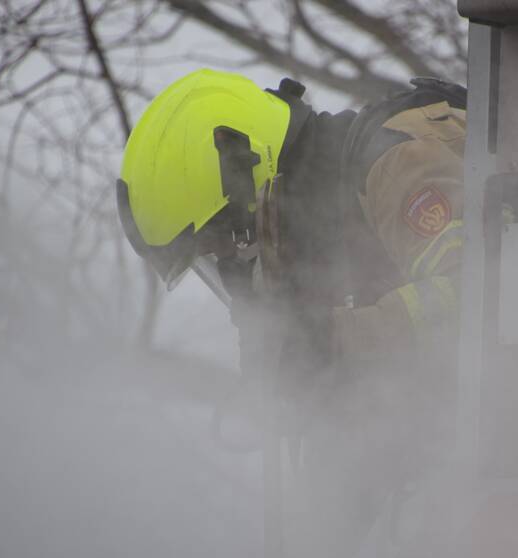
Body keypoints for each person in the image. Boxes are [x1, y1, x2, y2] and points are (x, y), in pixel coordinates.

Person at [116, 69, 465, 398]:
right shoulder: (319, 253)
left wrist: (329, 342)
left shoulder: (390, 160)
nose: (233, 263)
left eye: (228, 244)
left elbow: (477, 293)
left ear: (248, 181)